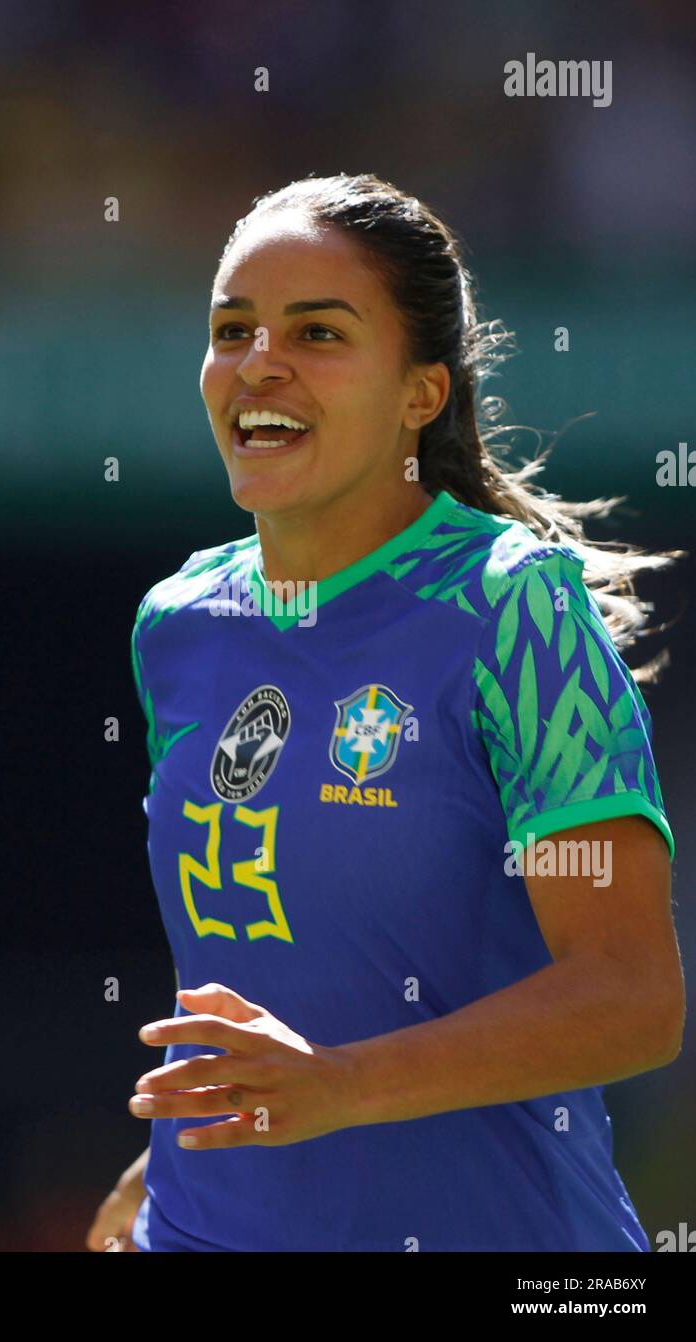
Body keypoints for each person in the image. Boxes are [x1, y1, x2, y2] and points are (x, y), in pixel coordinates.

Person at [87, 172, 685, 1253]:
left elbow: (630, 996)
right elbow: (279, 967)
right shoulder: (178, 622)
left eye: (317, 331)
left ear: (420, 393)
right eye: (232, 329)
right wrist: (170, 1155)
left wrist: (334, 1086)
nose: (258, 361)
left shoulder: (512, 607)